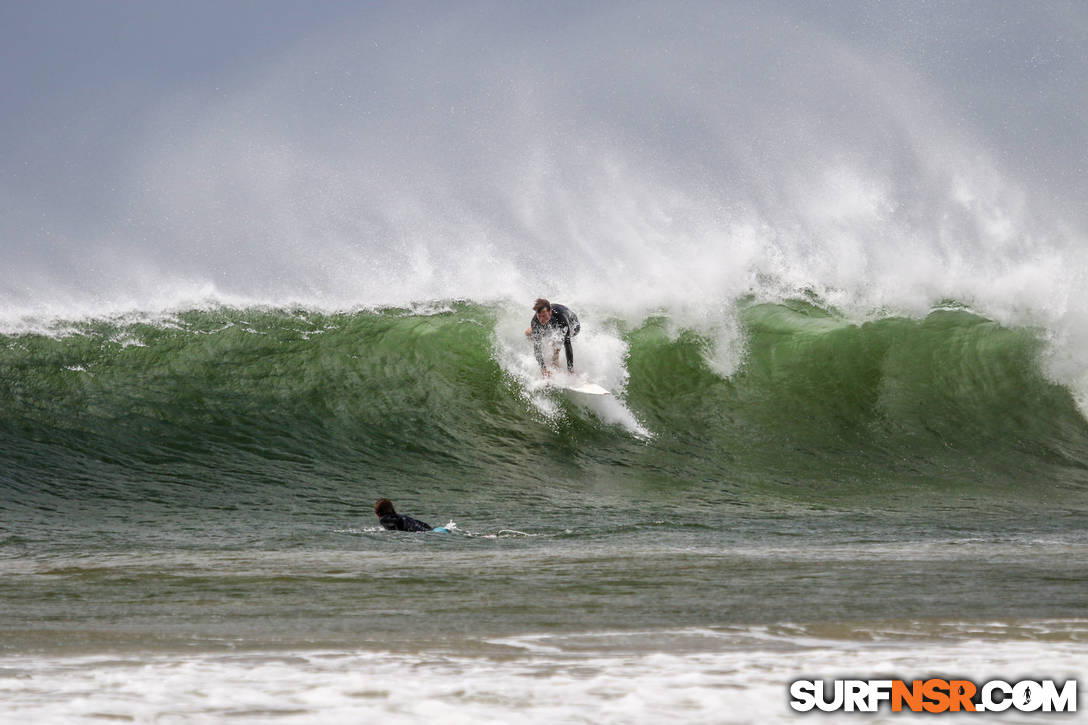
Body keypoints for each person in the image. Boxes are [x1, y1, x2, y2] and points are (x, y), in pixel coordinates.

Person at [524, 298, 580, 377]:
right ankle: (535, 332)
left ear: (550, 312)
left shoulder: (562, 318)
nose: (541, 319)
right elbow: (537, 347)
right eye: (539, 316)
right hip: (551, 323)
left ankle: (555, 362)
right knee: (529, 333)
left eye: (543, 316)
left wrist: (570, 370)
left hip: (572, 324)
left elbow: (567, 345)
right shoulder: (536, 320)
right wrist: (543, 368)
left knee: (557, 339)